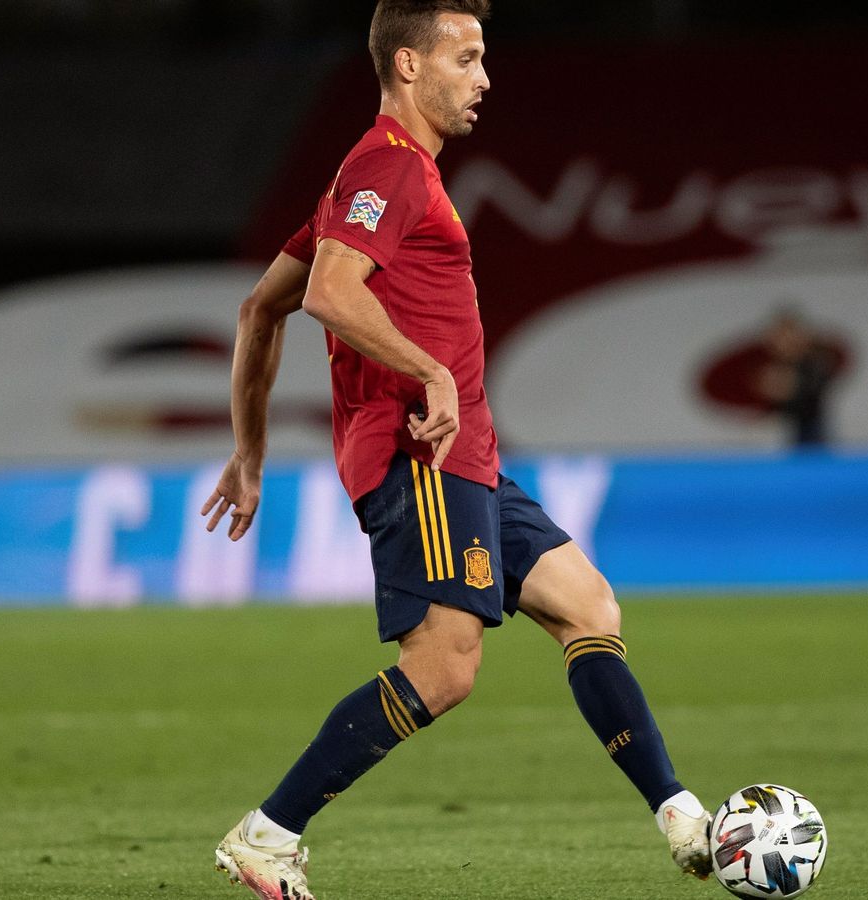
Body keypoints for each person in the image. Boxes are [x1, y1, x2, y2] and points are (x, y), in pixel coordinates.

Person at [200, 3, 712, 897]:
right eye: (466, 58)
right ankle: (268, 836)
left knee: (587, 606)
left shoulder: (382, 180)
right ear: (408, 65)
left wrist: (249, 452)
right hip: (420, 457)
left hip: (466, 457)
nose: (485, 79)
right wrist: (431, 372)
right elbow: (327, 291)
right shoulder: (385, 170)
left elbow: (259, 309)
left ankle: (683, 820)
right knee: (443, 667)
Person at [756, 307, 841, 449]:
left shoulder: (814, 362)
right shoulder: (783, 365)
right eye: (777, 336)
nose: (779, 342)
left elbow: (809, 399)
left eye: (785, 335)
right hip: (794, 433)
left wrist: (787, 390)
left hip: (812, 433)